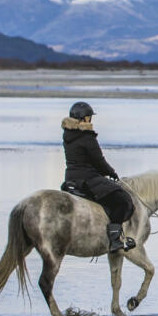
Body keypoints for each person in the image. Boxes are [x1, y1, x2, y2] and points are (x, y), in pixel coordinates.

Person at [62, 101, 136, 252]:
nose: (91, 120)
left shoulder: (68, 135)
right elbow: (99, 161)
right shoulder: (87, 137)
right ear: (85, 118)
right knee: (122, 201)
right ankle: (115, 240)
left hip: (70, 179)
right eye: (89, 117)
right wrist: (111, 172)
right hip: (87, 179)